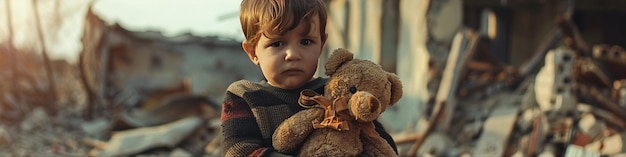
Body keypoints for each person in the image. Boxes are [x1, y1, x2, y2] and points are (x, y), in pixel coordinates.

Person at [220, 0, 397, 156]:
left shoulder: (338, 95)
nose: (292, 54)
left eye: (305, 42)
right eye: (277, 44)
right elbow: (238, 150)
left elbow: (382, 144)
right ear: (253, 52)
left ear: (321, 46)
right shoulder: (244, 96)